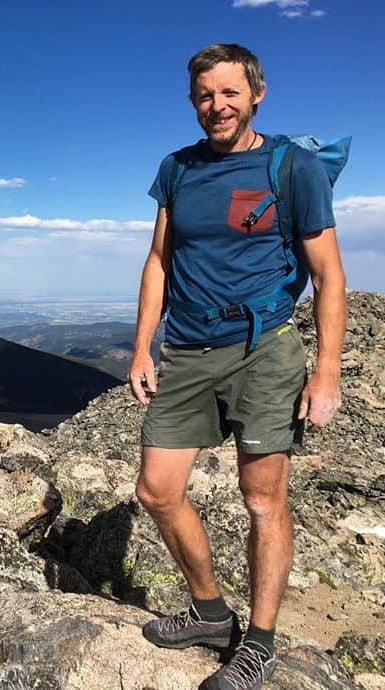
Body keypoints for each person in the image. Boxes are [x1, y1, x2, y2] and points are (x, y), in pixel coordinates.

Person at [128, 43, 346, 689]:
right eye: (204, 96)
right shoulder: (176, 169)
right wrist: (143, 345)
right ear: (192, 101)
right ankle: (209, 610)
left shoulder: (292, 167)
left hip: (263, 348)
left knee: (260, 497)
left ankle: (261, 642)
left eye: (229, 93)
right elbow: (159, 261)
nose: (215, 106)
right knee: (158, 490)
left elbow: (329, 275)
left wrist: (326, 370)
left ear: (256, 93)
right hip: (188, 349)